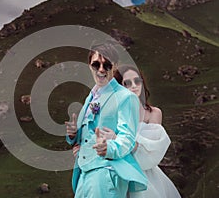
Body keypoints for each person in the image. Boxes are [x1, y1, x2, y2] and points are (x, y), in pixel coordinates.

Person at [73, 65, 181, 198]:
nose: (134, 86)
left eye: (137, 81)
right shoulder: (112, 111)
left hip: (145, 173)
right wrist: (83, 149)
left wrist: (117, 138)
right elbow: (95, 136)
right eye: (127, 83)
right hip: (116, 170)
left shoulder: (153, 113)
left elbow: (153, 150)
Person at [65, 43, 147, 198]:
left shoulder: (126, 97)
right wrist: (73, 134)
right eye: (96, 64)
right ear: (90, 66)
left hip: (107, 171)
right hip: (84, 172)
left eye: (107, 65)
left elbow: (127, 138)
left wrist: (109, 149)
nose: (101, 69)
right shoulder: (91, 97)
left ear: (114, 66)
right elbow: (86, 134)